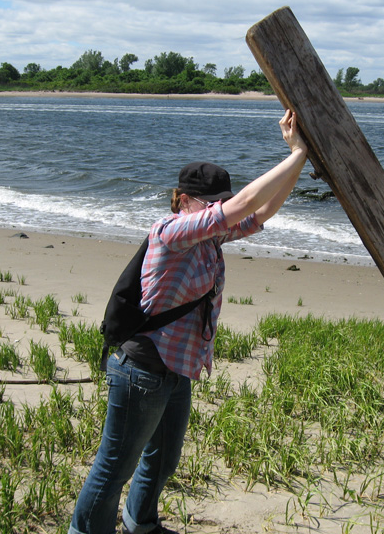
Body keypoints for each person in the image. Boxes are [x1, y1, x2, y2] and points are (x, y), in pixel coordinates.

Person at [68, 109, 308, 534]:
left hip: (176, 370)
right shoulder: (170, 231)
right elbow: (245, 203)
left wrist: (299, 159)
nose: (219, 210)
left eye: (220, 202)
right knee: (112, 468)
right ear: (182, 201)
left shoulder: (210, 237)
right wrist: (297, 151)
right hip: (141, 370)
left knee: (162, 460)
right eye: (210, 204)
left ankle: (140, 524)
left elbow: (262, 211)